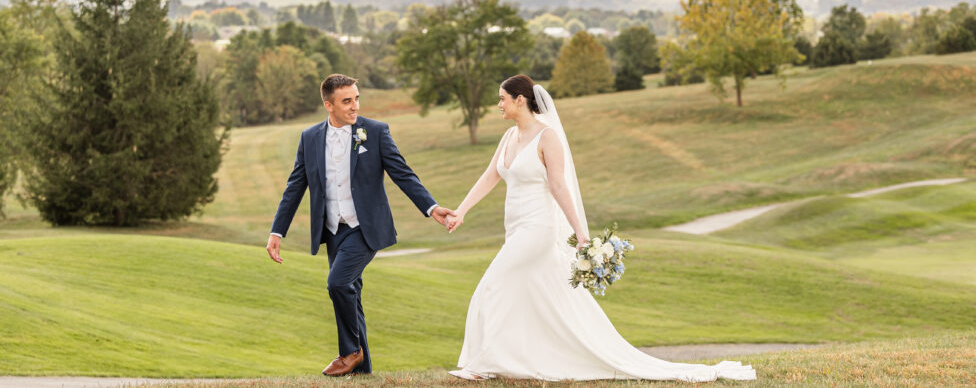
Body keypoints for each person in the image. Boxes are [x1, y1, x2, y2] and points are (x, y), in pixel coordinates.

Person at [444, 74, 755, 382]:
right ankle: (515, 359)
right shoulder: (509, 138)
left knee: (492, 286)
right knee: (530, 297)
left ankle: (481, 363)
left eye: (502, 98)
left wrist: (581, 233)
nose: (498, 104)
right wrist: (461, 211)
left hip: (536, 230)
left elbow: (559, 186)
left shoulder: (547, 137)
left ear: (520, 100)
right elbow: (489, 176)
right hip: (513, 229)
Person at [266, 73, 454, 376]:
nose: (355, 106)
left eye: (356, 98)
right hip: (332, 229)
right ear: (328, 105)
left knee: (338, 283)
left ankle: (350, 352)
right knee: (350, 291)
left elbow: (402, 173)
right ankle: (362, 372)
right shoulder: (310, 138)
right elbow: (295, 185)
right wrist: (277, 231)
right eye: (346, 101)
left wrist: (431, 207)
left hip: (365, 228)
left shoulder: (375, 132)